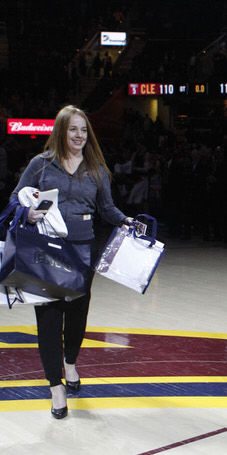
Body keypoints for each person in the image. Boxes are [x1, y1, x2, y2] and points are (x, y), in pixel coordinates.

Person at [11, 105, 132, 419]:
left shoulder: (97, 168)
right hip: (45, 252)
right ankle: (56, 387)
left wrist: (126, 221)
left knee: (77, 318)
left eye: (83, 130)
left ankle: (70, 362)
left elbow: (107, 208)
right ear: (61, 131)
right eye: (73, 129)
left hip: (82, 252)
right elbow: (15, 197)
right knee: (49, 320)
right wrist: (27, 212)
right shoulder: (41, 164)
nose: (79, 135)